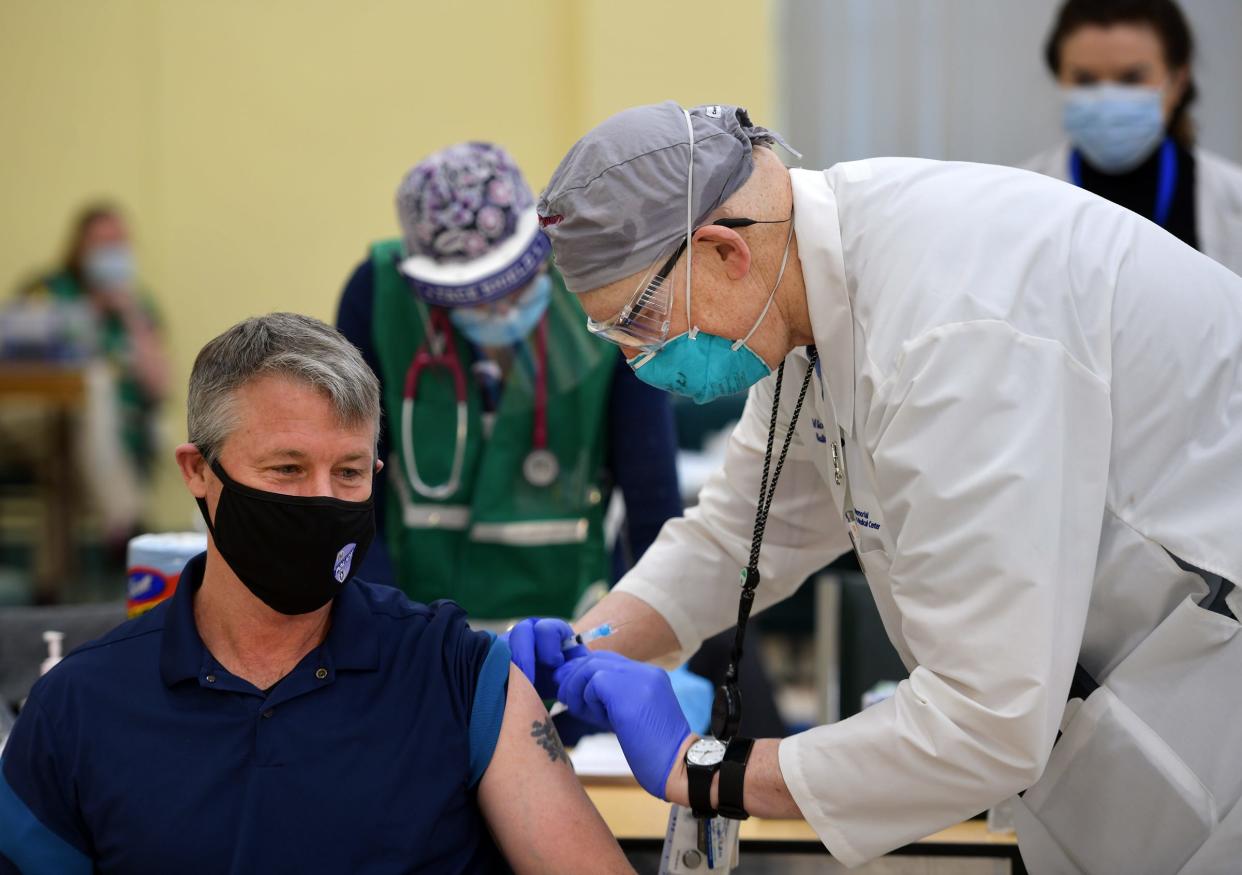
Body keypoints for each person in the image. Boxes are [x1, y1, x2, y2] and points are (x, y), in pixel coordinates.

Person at [509, 102, 1242, 873]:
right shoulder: (802, 298)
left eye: (640, 322)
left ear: (724, 251)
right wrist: (589, 644)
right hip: (1115, 731)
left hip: (1207, 709)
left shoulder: (951, 329)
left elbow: (985, 720)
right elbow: (740, 534)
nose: (638, 361)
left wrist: (704, 769)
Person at [0, 313, 632, 874]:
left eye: (349, 473)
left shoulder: (458, 676)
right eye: (287, 469)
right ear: (197, 471)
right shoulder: (80, 708)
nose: (322, 500)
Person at [336, 142, 682, 623]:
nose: (501, 310)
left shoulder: (606, 292)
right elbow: (347, 482)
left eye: (514, 286)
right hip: (416, 615)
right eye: (474, 298)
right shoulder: (379, 297)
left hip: (568, 617)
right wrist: (385, 626)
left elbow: (653, 498)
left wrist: (646, 632)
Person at [1024, 0, 1242, 275]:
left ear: (1178, 83)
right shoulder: (1017, 201)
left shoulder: (1233, 199)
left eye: (1131, 79)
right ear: (1060, 80)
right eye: (1085, 81)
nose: (1107, 97)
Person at [4, 204, 170, 546]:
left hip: (114, 430)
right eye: (102, 243)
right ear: (79, 248)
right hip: (37, 417)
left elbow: (159, 385)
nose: (112, 252)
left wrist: (130, 315)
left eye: (119, 243)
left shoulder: (137, 304)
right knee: (93, 383)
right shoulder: (47, 291)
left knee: (66, 453)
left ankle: (50, 588)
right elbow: (17, 355)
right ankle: (124, 520)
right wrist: (90, 312)